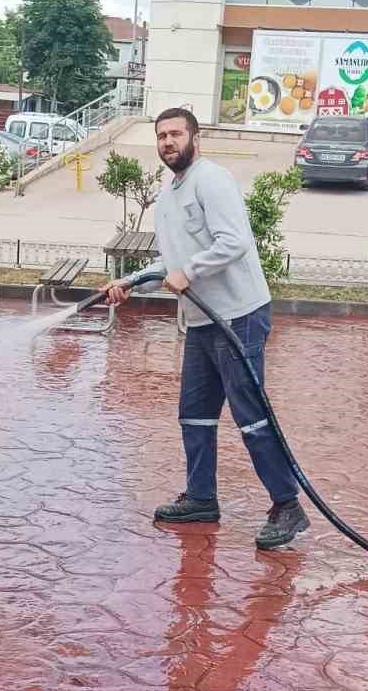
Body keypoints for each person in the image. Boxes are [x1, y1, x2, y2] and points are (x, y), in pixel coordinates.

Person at [107, 107, 309, 551]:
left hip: (238, 314)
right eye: (161, 136)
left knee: (251, 418)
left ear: (195, 138)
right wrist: (131, 280)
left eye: (176, 133)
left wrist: (191, 271)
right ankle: (201, 497)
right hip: (201, 321)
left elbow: (234, 242)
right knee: (194, 414)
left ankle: (288, 505)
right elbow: (170, 262)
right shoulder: (168, 196)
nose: (167, 142)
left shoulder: (211, 180)